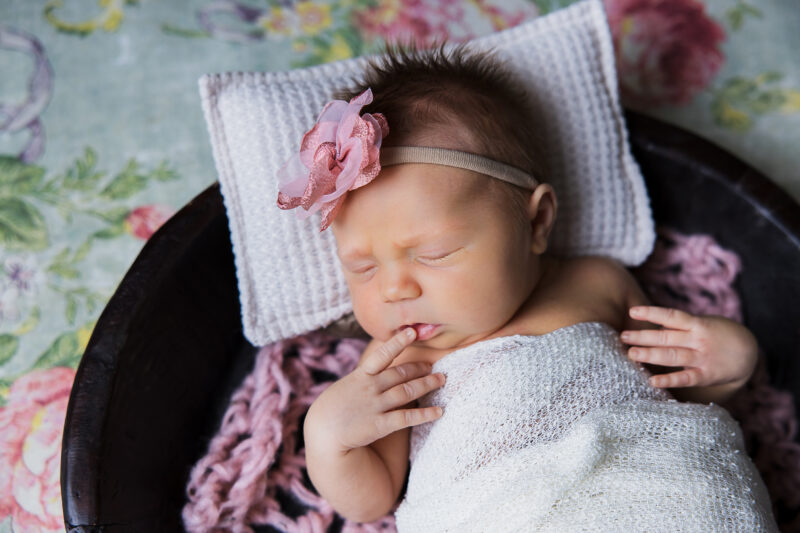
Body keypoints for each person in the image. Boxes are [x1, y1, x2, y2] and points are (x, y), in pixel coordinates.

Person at [280, 44, 776, 531]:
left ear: (536, 222)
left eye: (433, 254)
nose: (393, 289)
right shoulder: (398, 363)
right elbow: (372, 499)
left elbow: (669, 395)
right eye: (362, 267)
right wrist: (328, 437)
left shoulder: (596, 283)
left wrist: (728, 364)